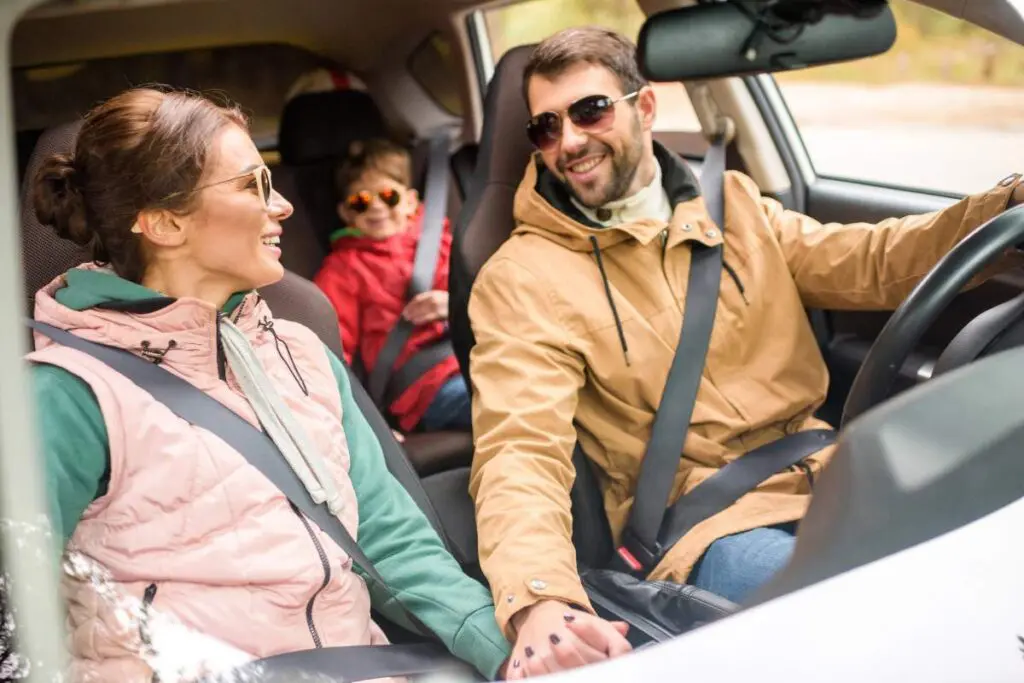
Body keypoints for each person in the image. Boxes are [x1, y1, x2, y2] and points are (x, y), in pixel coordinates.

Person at [467, 26, 1024, 677]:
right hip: (711, 525)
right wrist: (540, 601)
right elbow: (519, 446)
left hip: (838, 475)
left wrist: (1005, 207)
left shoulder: (733, 204)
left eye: (591, 110)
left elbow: (871, 260)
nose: (569, 141)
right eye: (545, 128)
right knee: (896, 634)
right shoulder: (522, 278)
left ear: (644, 108)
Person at [27, 87, 522, 683]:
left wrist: (513, 650)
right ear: (163, 221)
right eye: (251, 186)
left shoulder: (301, 352)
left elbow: (388, 540)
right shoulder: (68, 396)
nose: (283, 205)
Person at [315, 138, 471, 435]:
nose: (376, 207)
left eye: (388, 196)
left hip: (475, 356)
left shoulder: (443, 242)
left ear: (411, 201)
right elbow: (331, 351)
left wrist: (454, 305)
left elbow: (493, 296)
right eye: (360, 202)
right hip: (421, 389)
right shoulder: (343, 269)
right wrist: (363, 422)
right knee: (509, 397)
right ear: (346, 214)